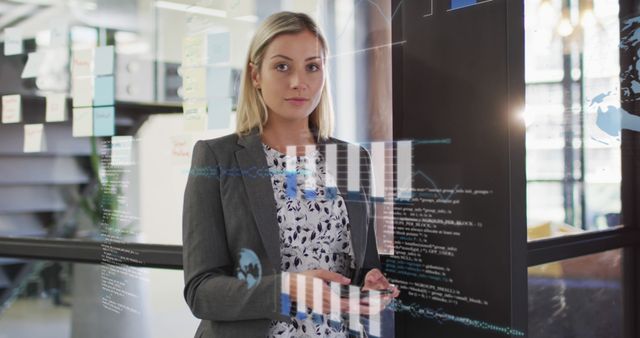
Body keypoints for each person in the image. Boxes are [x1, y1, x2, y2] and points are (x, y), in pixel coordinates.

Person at [182, 11, 399, 338]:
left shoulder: (352, 159)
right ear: (255, 75)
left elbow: (361, 265)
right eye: (282, 66)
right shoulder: (217, 157)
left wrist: (369, 283)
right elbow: (201, 291)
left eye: (312, 66)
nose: (299, 82)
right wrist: (287, 289)